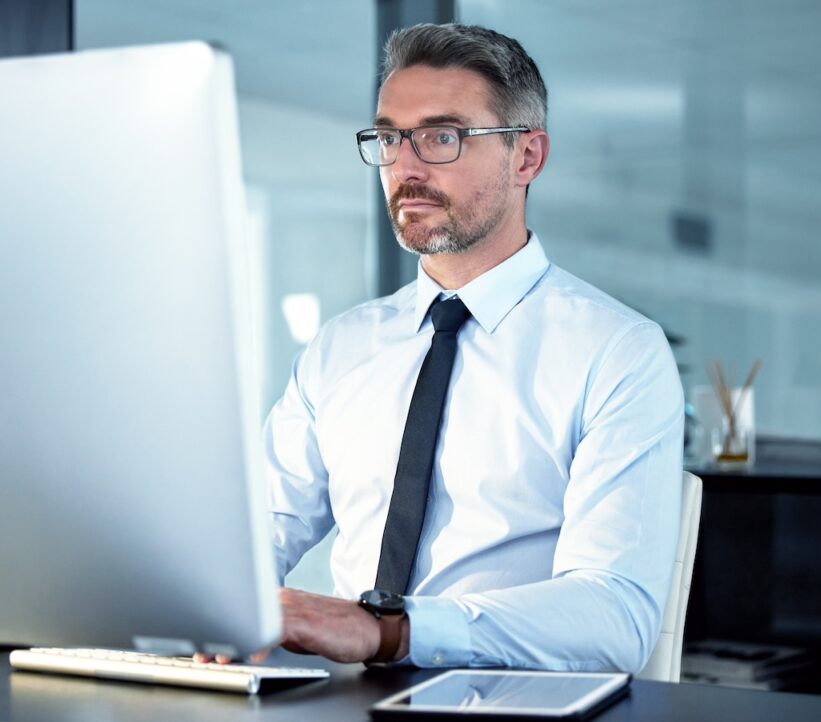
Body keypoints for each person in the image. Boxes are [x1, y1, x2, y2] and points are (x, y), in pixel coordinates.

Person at [265, 23, 684, 672]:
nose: (404, 167)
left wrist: (393, 632)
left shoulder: (618, 353)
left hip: (511, 706)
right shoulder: (339, 349)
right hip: (339, 700)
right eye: (388, 138)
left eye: (441, 137)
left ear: (527, 158)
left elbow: (614, 617)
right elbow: (253, 537)